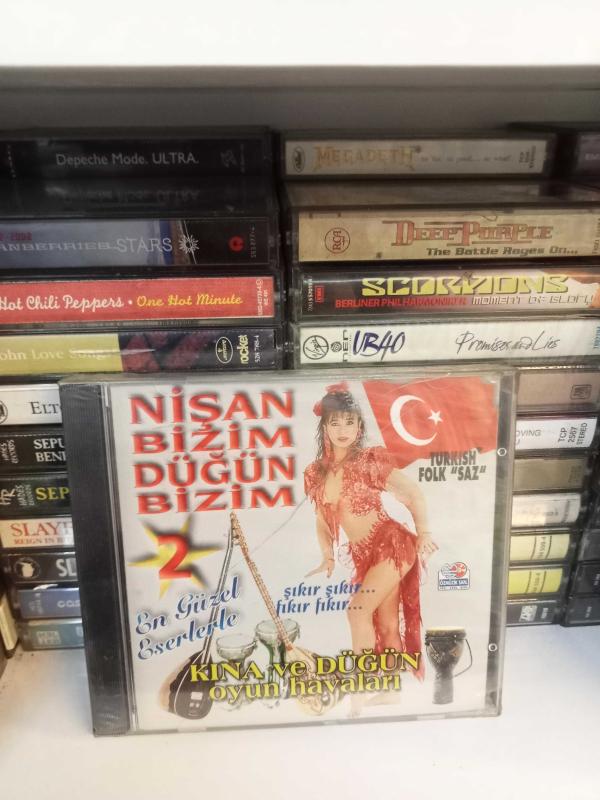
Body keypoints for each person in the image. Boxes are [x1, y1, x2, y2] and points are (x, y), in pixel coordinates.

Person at [304, 383, 438, 674]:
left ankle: (362, 683)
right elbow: (322, 520)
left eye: (349, 422)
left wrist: (424, 532)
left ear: (359, 426)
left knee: (357, 610)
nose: (343, 429)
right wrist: (327, 555)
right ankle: (389, 687)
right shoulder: (316, 473)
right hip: (365, 554)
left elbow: (412, 493)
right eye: (335, 423)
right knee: (386, 624)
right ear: (325, 428)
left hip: (392, 544)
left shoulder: (368, 461)